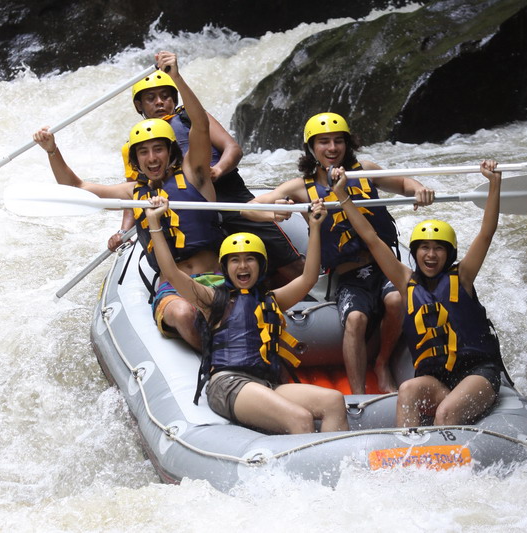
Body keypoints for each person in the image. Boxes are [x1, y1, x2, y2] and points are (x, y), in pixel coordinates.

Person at [33, 51, 221, 351]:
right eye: (143, 152)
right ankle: (213, 360)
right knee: (184, 314)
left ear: (170, 152)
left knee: (234, 312)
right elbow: (76, 187)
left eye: (158, 149)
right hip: (174, 288)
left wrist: (176, 77)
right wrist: (52, 151)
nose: (152, 158)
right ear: (135, 159)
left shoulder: (195, 174)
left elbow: (200, 126)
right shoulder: (134, 193)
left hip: (217, 278)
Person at [250, 112, 435, 394]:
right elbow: (250, 208)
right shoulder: (301, 187)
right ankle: (358, 395)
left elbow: (402, 184)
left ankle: (382, 363)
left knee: (397, 299)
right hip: (348, 275)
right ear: (311, 148)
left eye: (338, 141)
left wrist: (419, 189)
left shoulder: (365, 171)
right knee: (355, 319)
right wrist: (272, 212)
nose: (332, 148)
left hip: (384, 266)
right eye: (324, 142)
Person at [144, 195, 349, 434]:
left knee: (334, 401)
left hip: (267, 384)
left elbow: (308, 278)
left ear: (261, 266)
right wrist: (154, 223)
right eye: (235, 260)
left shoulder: (272, 300)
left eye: (250, 259)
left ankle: (338, 458)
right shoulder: (211, 299)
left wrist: (314, 227)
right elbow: (171, 272)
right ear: (225, 267)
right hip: (228, 383)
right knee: (300, 418)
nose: (243, 266)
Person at [330, 160, 505, 426]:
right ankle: (406, 449)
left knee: (446, 413)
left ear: (449, 254)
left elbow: (486, 234)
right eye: (424, 248)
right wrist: (342, 195)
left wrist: (494, 184)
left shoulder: (463, 276)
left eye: (438, 248)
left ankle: (440, 450)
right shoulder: (405, 281)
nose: (431, 255)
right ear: (415, 252)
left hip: (477, 373)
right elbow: (371, 238)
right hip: (438, 381)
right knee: (408, 389)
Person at [109, 59, 305, 287]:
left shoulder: (190, 117)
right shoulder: (135, 146)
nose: (160, 102)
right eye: (151, 98)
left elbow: (233, 148)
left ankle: (312, 291)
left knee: (286, 261)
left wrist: (218, 169)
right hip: (188, 210)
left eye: (165, 96)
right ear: (139, 105)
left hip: (227, 197)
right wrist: (123, 231)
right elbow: (136, 194)